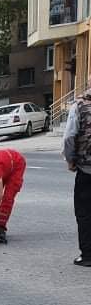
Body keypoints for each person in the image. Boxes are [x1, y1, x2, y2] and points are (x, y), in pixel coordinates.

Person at [62, 87, 91, 266]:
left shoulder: (79, 106)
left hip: (87, 169)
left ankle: (88, 255)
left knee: (85, 213)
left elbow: (69, 137)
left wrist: (70, 160)